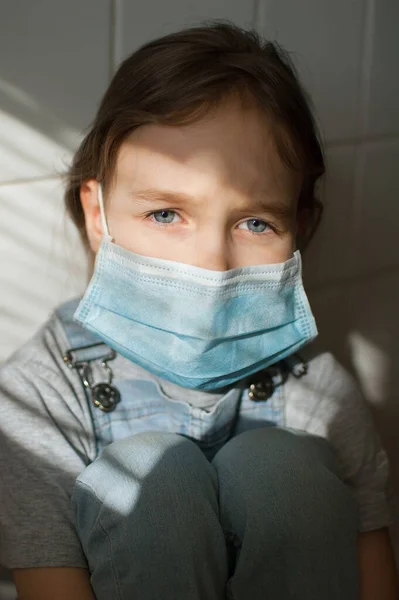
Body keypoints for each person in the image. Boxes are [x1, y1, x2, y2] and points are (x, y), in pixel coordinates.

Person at [0, 22, 397, 600]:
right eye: (166, 213)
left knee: (283, 472)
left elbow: (371, 566)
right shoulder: (39, 399)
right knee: (150, 473)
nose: (212, 264)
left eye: (256, 222)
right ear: (97, 213)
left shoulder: (319, 393)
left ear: (299, 229)